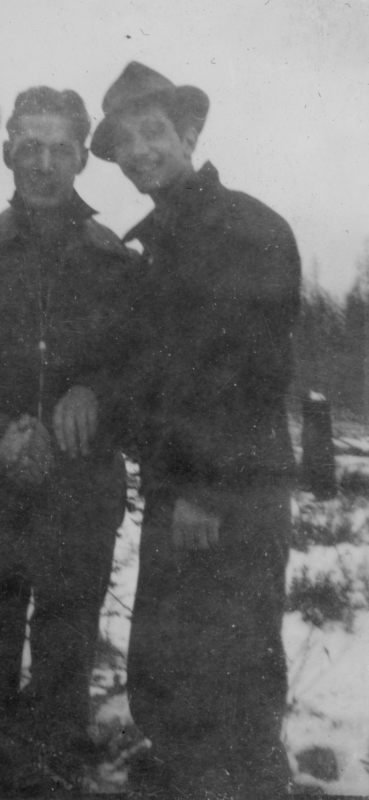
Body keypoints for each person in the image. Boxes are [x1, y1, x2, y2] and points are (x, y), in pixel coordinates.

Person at [91, 62, 301, 799]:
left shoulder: (244, 228)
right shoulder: (159, 242)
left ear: (189, 132)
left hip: (227, 490)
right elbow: (153, 372)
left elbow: (250, 372)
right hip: (181, 484)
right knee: (169, 658)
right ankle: (183, 773)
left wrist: (204, 489)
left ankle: (246, 782)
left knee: (232, 666)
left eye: (152, 132)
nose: (138, 151)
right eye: (123, 141)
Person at [0, 85, 140, 797]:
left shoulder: (119, 263)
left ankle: (52, 769)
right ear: (7, 153)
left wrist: (98, 393)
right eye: (29, 147)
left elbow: (147, 369)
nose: (44, 164)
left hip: (80, 487)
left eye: (60, 148)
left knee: (65, 647)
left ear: (84, 156)